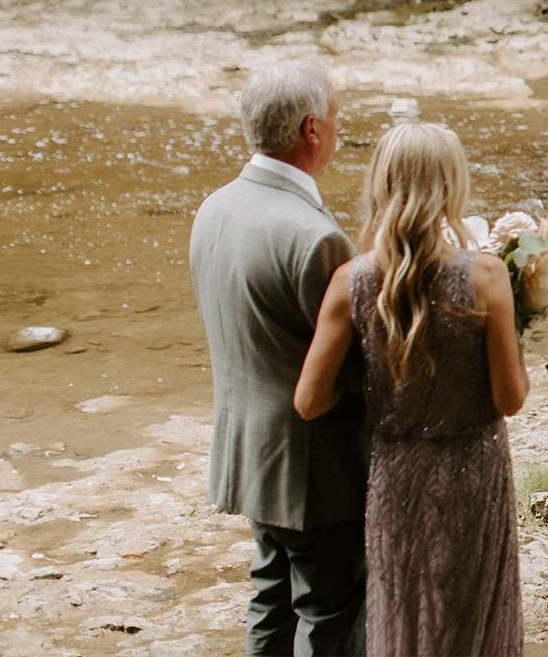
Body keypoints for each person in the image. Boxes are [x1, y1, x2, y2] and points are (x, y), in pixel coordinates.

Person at [294, 122, 529, 656]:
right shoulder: (486, 276)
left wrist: (373, 386)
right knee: (474, 615)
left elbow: (309, 401)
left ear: (381, 184)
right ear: (452, 186)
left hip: (397, 475)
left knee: (404, 611)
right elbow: (510, 399)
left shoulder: (351, 281)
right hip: (475, 471)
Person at [189, 61, 365, 655]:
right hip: (313, 467)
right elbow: (353, 365)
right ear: (312, 129)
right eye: (336, 115)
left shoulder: (215, 207)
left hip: (249, 450)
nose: (342, 127)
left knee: (270, 597)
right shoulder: (314, 236)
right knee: (331, 615)